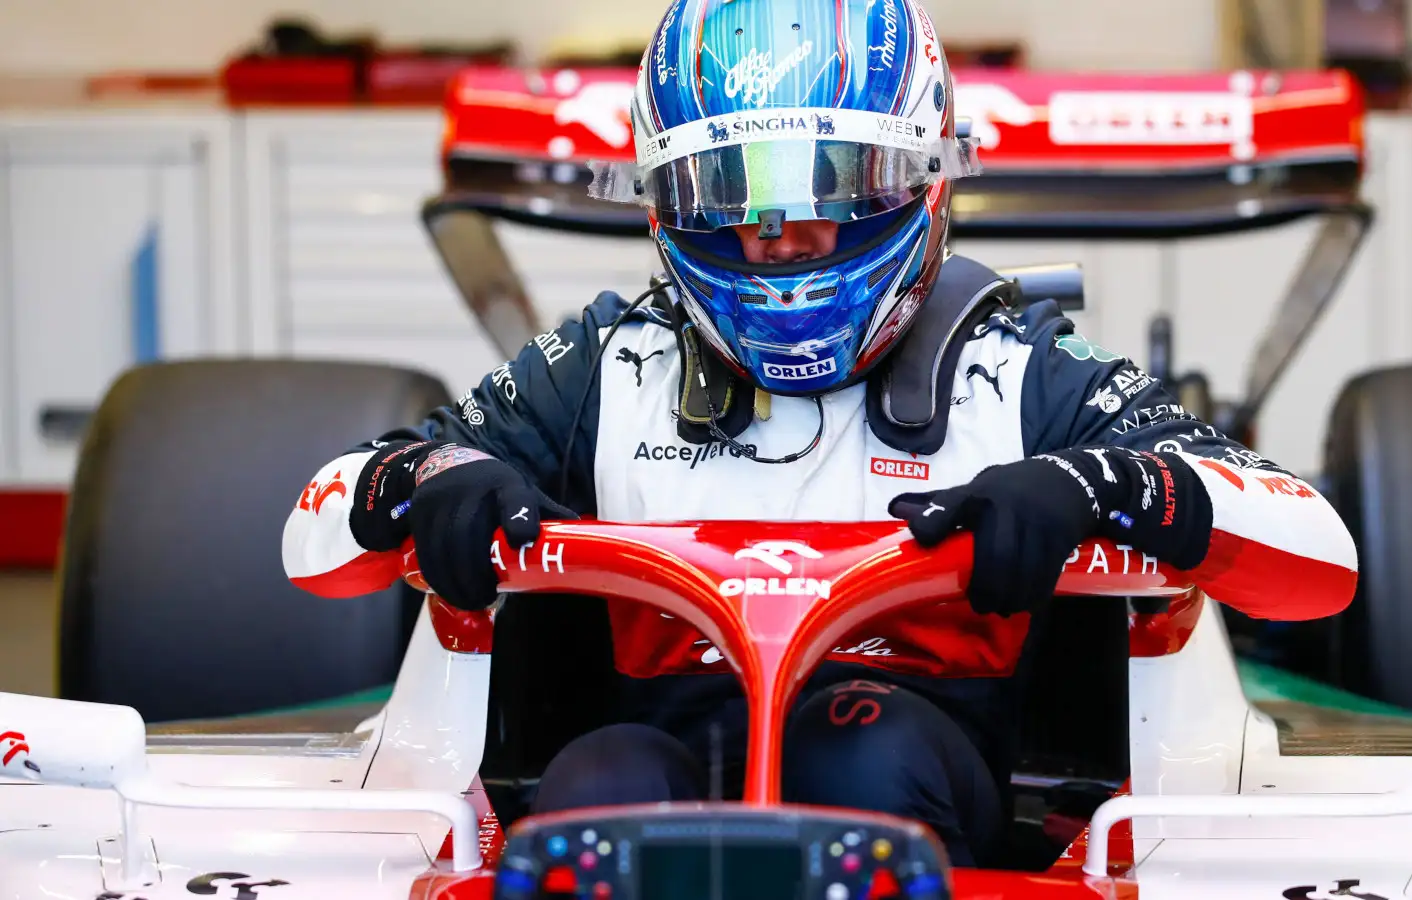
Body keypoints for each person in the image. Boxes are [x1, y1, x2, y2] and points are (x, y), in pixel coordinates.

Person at [282, 0, 1357, 868]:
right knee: (597, 789)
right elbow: (322, 527)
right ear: (667, 203)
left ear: (925, 181)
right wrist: (436, 478)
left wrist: (1105, 487)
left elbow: (1317, 554)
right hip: (662, 756)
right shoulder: (612, 366)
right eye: (736, 199)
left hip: (914, 766)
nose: (783, 241)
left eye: (834, 192)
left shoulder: (1020, 371)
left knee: (858, 758)